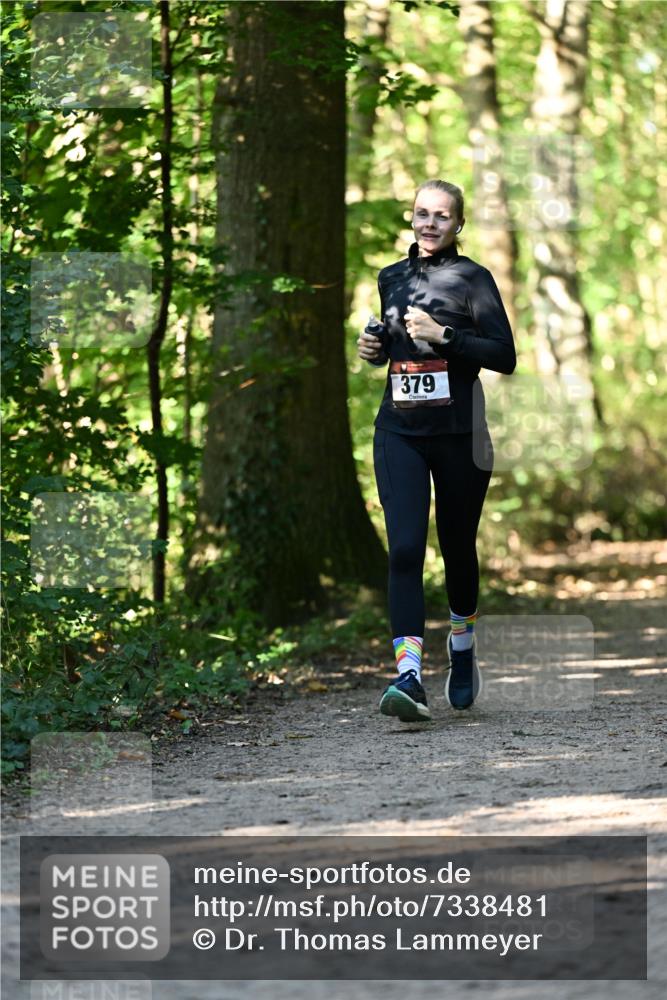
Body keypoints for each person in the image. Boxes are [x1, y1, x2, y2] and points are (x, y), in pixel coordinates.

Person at [357, 179, 516, 722]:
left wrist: (445, 335)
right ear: (411, 217)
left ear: (458, 224)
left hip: (460, 436)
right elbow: (397, 351)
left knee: (457, 547)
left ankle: (462, 645)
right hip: (398, 430)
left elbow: (504, 355)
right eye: (422, 213)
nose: (430, 223)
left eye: (442, 216)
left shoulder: (474, 279)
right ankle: (408, 676)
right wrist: (374, 347)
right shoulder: (391, 277)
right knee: (404, 549)